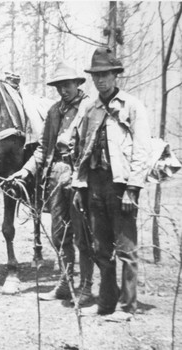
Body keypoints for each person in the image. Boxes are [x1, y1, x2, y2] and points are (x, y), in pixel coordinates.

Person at [73, 48, 151, 318]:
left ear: (116, 75)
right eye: (96, 75)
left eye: (105, 74)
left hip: (121, 186)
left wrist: (132, 188)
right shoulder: (91, 108)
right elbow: (81, 149)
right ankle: (106, 303)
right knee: (100, 249)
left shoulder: (131, 106)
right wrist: (79, 184)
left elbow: (142, 149)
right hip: (95, 184)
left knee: (126, 250)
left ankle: (127, 306)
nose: (101, 80)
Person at [10, 62, 94, 306]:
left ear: (78, 84)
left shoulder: (89, 108)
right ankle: (65, 284)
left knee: (83, 235)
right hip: (55, 173)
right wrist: (25, 171)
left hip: (81, 174)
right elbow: (42, 148)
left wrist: (82, 177)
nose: (63, 90)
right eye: (59, 86)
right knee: (59, 234)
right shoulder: (54, 111)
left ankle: (87, 287)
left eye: (67, 85)